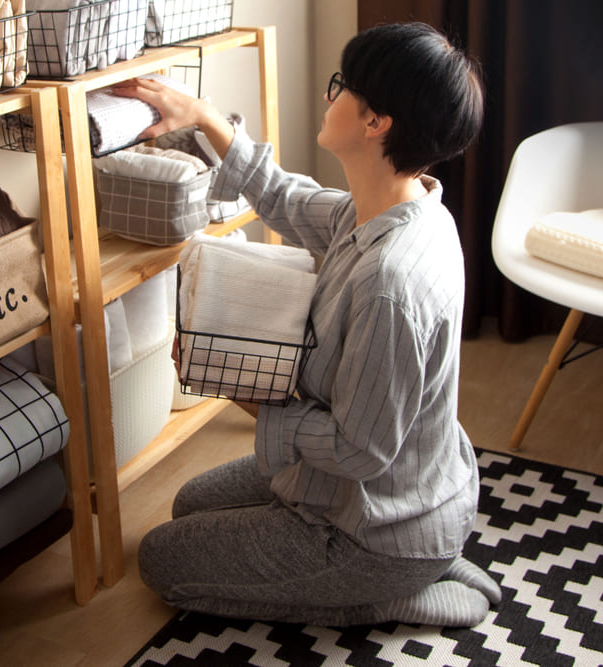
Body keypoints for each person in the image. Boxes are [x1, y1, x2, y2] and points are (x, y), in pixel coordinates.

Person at [111, 22, 501, 627]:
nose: (328, 95)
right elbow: (285, 199)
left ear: (377, 122)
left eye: (342, 86)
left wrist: (234, 385)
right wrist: (202, 116)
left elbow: (358, 449)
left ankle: (389, 594)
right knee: (190, 503)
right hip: (410, 488)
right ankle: (423, 563)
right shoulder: (403, 208)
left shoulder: (389, 282)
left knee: (162, 562)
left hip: (374, 528)